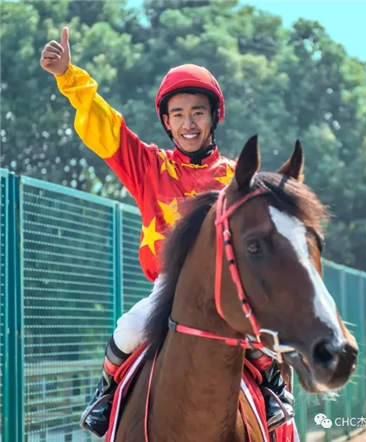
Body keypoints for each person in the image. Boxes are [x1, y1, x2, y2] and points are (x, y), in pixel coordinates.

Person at [40, 26, 294, 437]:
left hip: (228, 287)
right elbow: (106, 127)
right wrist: (68, 76)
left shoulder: (236, 176)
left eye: (197, 112)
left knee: (259, 335)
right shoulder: (148, 166)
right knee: (129, 328)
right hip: (170, 288)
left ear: (214, 117)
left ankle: (273, 392)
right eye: (178, 114)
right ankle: (105, 394)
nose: (188, 123)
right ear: (166, 122)